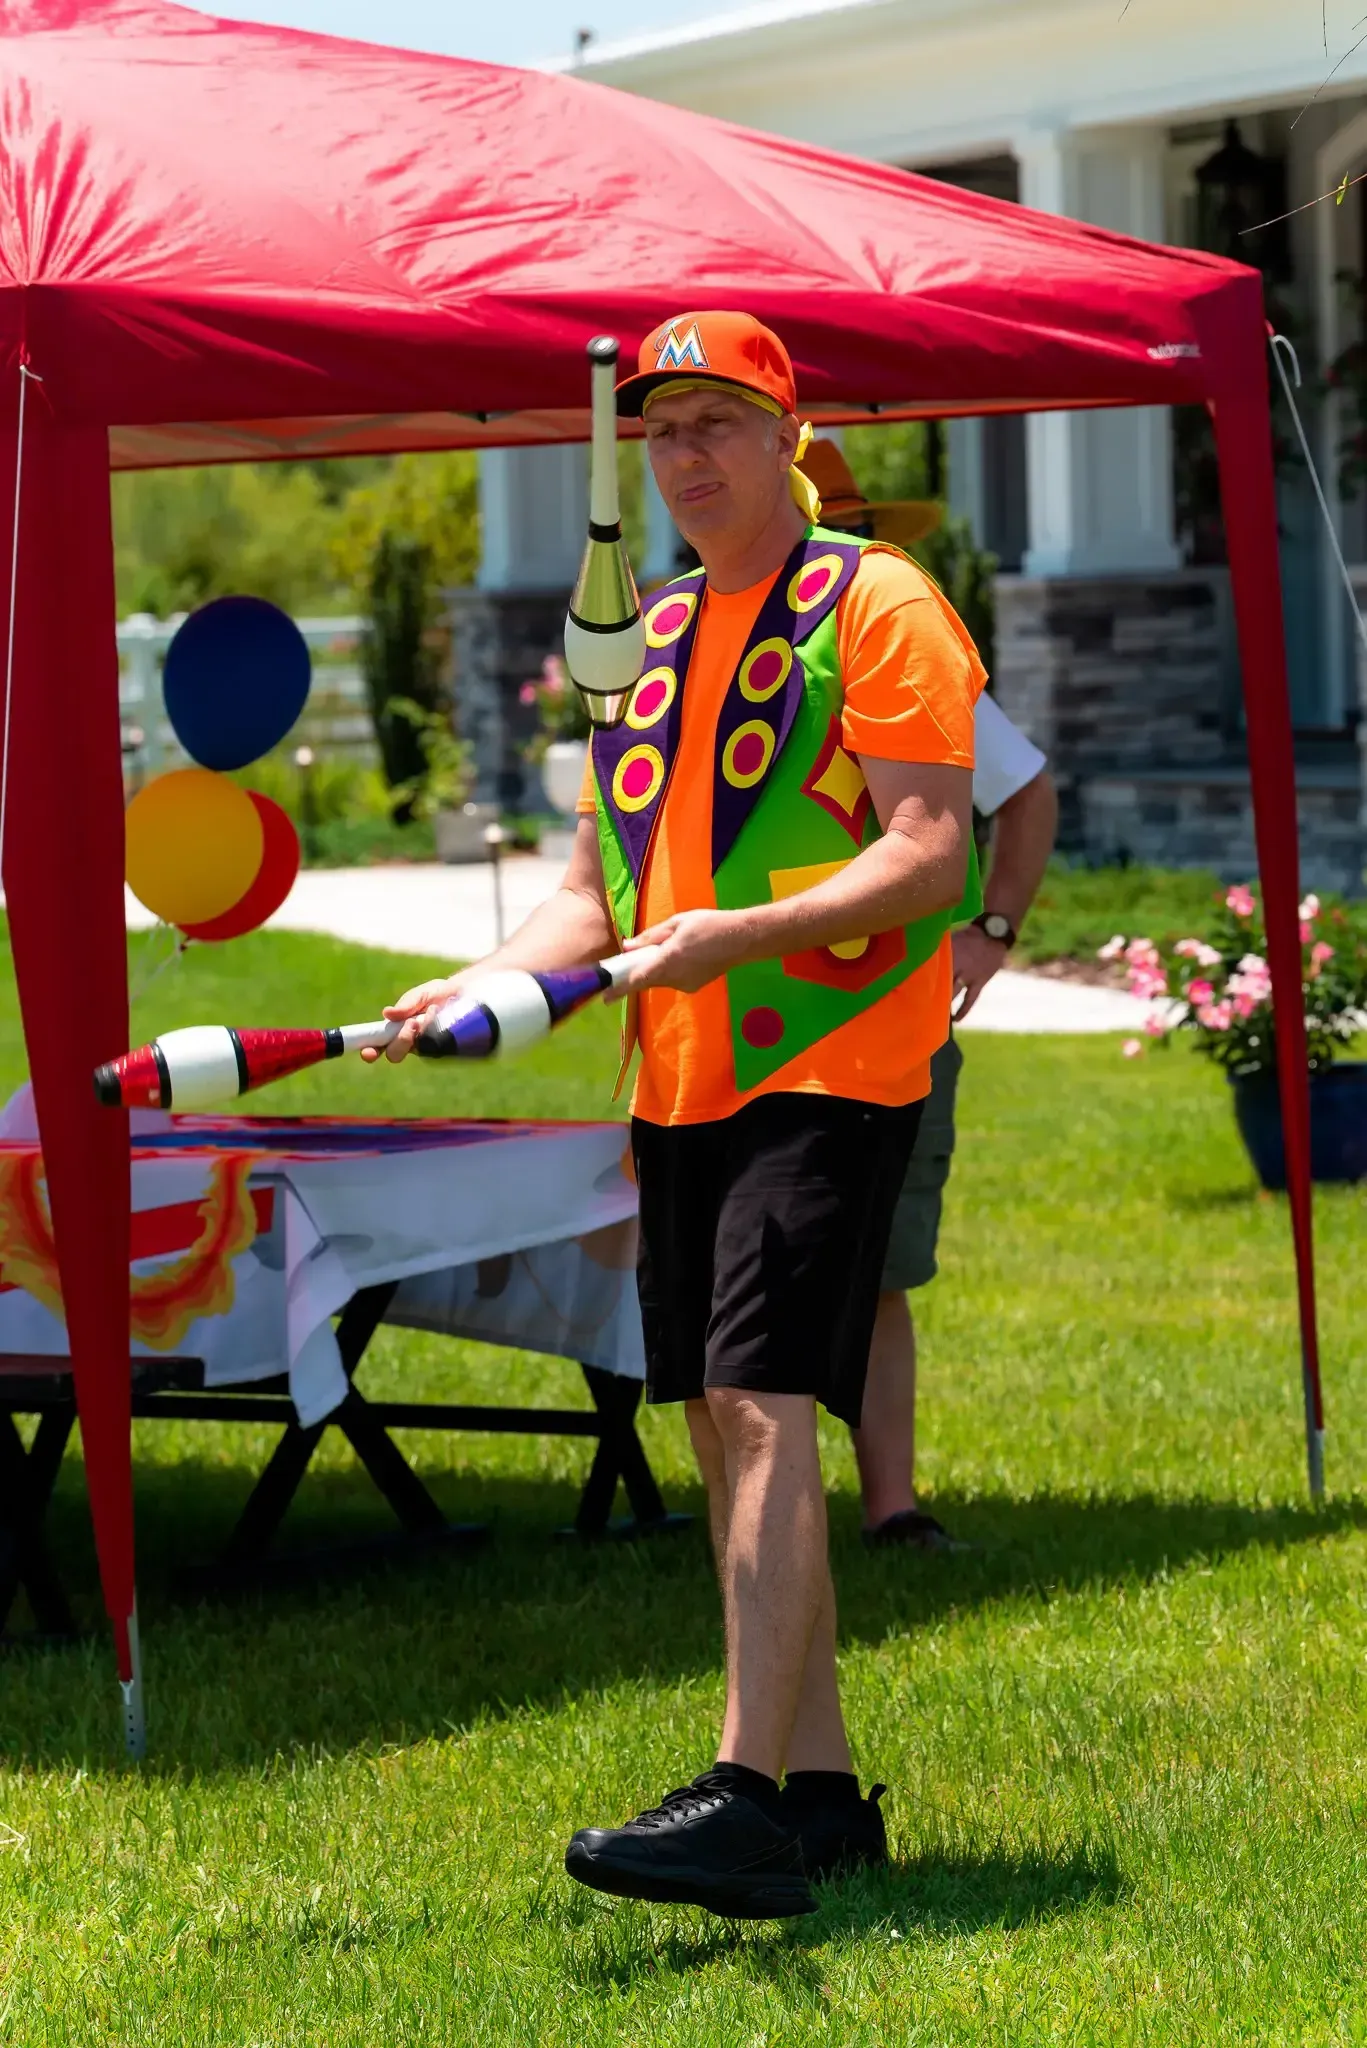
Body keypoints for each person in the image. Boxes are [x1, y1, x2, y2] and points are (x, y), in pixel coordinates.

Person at [371, 312, 985, 1919]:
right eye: (661, 430)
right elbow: (595, 888)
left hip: (832, 1056)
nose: (687, 454)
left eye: (718, 419)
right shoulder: (638, 641)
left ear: (786, 434)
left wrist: (739, 938)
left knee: (768, 1402)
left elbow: (933, 850)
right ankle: (824, 1797)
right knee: (719, 1417)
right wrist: (480, 980)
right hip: (678, 1078)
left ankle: (736, 1788)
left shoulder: (879, 601)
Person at [797, 441, 1059, 1550]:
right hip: (743, 1016)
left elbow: (1027, 790)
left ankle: (889, 1506)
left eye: (856, 530)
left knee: (882, 1263)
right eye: (831, 529)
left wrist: (990, 932)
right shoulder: (703, 655)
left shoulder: (907, 662)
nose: (847, 552)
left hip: (889, 1014)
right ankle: (770, 1507)